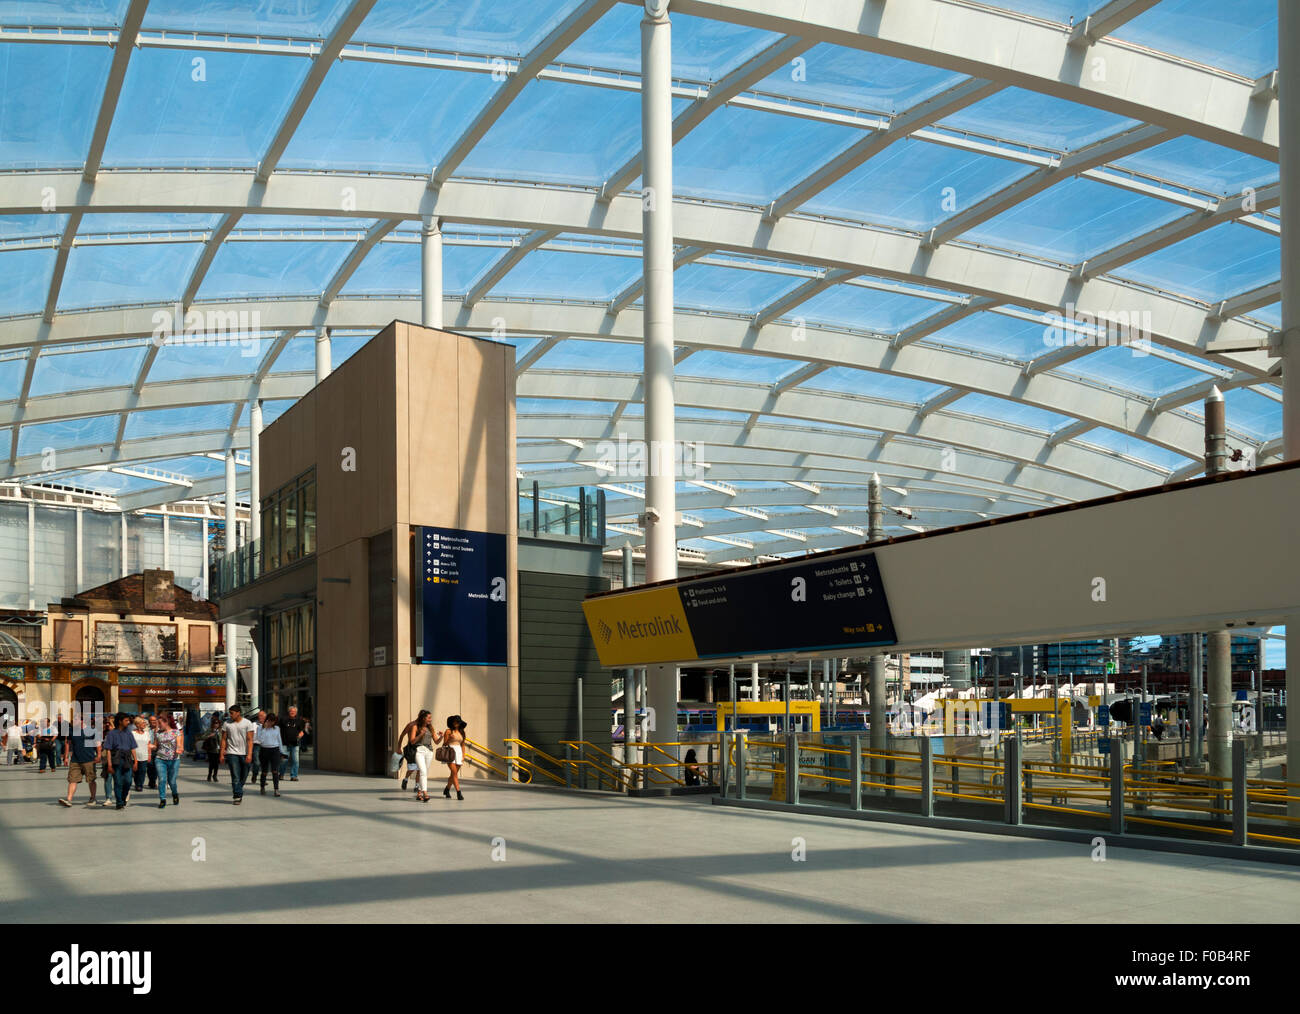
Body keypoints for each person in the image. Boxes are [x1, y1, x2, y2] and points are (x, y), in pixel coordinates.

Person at [399, 710, 441, 802]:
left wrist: (441, 737)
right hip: (419, 750)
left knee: (424, 773)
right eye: (429, 717)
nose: (431, 719)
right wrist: (421, 734)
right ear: (423, 718)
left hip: (429, 752)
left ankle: (419, 792)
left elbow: (436, 742)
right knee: (422, 771)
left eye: (431, 717)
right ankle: (425, 793)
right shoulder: (415, 726)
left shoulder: (430, 728)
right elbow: (412, 741)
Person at [60, 713, 101, 808]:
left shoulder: (91, 730)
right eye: (73, 719)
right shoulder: (70, 731)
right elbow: (67, 744)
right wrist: (66, 757)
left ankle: (93, 798)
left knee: (91, 780)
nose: (73, 721)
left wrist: (98, 755)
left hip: (89, 759)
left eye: (76, 719)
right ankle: (69, 799)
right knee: (72, 780)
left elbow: (98, 744)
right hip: (75, 760)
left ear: (82, 721)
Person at [219, 705, 256, 805]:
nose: (230, 715)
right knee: (235, 776)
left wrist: (249, 754)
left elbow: (250, 740)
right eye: (229, 713)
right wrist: (222, 754)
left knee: (243, 775)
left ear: (238, 712)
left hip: (244, 753)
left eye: (232, 713)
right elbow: (223, 739)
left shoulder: (247, 723)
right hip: (232, 753)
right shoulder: (226, 724)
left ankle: (238, 788)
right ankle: (237, 796)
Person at [104, 713, 138, 809]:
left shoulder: (129, 733)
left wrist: (136, 761)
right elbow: (108, 750)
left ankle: (123, 798)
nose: (128, 722)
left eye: (128, 720)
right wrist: (109, 764)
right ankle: (119, 802)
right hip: (116, 759)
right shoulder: (111, 734)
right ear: (120, 721)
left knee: (128, 781)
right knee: (118, 781)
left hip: (127, 759)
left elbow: (133, 748)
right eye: (126, 720)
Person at [153, 713, 182, 809]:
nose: (158, 725)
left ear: (166, 722)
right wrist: (150, 746)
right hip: (160, 759)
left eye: (160, 723)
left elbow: (179, 743)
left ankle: (175, 794)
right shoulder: (157, 733)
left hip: (174, 760)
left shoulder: (176, 732)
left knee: (172, 781)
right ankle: (162, 799)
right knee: (162, 779)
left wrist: (178, 749)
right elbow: (155, 746)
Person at [256, 713, 284, 797]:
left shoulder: (277, 728)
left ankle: (276, 790)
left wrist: (281, 752)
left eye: (273, 721)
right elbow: (260, 740)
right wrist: (264, 728)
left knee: (275, 771)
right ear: (266, 720)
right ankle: (262, 787)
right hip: (264, 750)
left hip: (275, 750)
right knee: (264, 771)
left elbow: (279, 740)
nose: (271, 723)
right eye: (269, 721)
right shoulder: (260, 728)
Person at [441, 715, 467, 800]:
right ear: (452, 722)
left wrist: (463, 755)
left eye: (458, 722)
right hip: (450, 752)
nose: (456, 723)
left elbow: (463, 745)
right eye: (455, 721)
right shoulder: (448, 731)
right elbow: (444, 744)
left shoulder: (462, 732)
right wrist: (449, 739)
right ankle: (459, 793)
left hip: (459, 753)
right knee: (455, 773)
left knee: (453, 774)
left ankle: (447, 789)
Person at [278, 705, 307, 782]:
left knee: (296, 761)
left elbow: (301, 732)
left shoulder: (299, 720)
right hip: (284, 743)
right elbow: (278, 729)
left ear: (296, 712)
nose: (292, 712)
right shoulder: (283, 719)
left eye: (294, 711)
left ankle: (294, 776)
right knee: (284, 761)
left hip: (295, 744)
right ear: (289, 712)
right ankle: (281, 774)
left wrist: (300, 735)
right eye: (291, 711)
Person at [129, 717, 152, 791]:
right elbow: (131, 745)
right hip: (134, 755)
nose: (144, 724)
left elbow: (149, 745)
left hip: (144, 755)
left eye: (145, 723)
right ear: (137, 724)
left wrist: (149, 755)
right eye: (143, 723)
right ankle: (136, 783)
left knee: (142, 771)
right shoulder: (132, 733)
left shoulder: (147, 733)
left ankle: (140, 785)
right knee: (135, 771)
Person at [248, 709, 267, 784]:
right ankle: (255, 775)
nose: (260, 717)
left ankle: (263, 779)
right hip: (256, 745)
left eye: (262, 716)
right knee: (257, 763)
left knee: (265, 764)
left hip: (266, 746)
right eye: (259, 716)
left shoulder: (269, 725)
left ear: (265, 717)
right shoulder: (253, 725)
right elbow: (250, 736)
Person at [202, 714, 223, 781]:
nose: (216, 725)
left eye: (217, 723)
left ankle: (215, 775)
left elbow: (224, 739)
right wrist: (209, 736)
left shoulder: (221, 731)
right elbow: (203, 737)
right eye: (215, 723)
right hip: (211, 749)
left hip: (218, 749)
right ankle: (209, 775)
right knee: (211, 763)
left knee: (216, 763)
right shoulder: (209, 730)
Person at [144, 714, 159, 789]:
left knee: (156, 767)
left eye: (154, 720)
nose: (153, 722)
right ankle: (151, 781)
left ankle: (153, 782)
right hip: (148, 750)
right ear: (149, 722)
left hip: (158, 751)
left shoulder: (160, 729)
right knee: (150, 767)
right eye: (151, 721)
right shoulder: (146, 730)